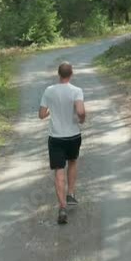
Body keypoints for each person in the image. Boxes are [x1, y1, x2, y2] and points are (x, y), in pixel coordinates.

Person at [38, 62, 86, 225]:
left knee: (59, 170)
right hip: (73, 136)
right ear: (71, 74)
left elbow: (41, 114)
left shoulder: (49, 91)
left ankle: (62, 207)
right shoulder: (77, 91)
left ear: (58, 74)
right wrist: (82, 119)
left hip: (56, 137)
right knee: (72, 162)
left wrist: (51, 110)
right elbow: (80, 111)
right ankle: (70, 193)